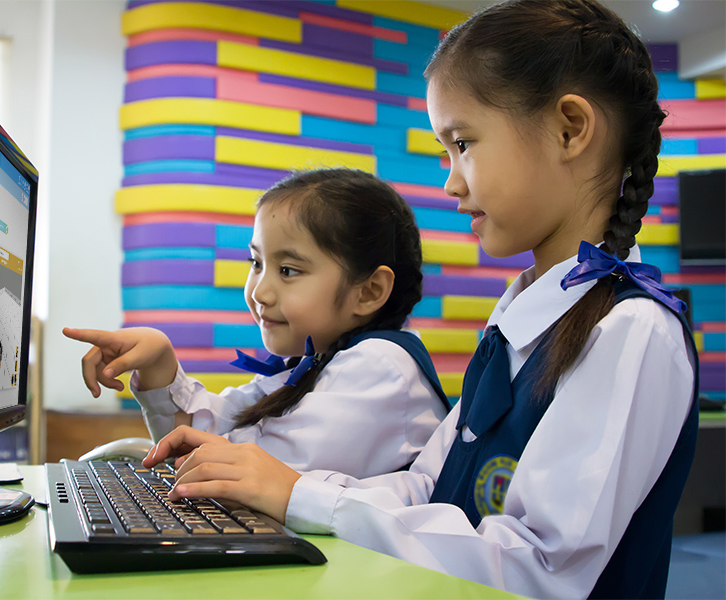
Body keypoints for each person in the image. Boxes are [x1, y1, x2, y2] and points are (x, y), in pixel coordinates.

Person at [141, 1, 700, 598]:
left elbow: (538, 569)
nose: (451, 181)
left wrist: (298, 494)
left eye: (463, 143)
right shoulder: (518, 319)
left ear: (569, 128)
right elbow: (426, 488)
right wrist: (282, 487)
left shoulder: (632, 331)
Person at [64, 168, 450, 479]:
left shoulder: (381, 370)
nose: (260, 291)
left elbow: (243, 470)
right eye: (256, 263)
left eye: (288, 270)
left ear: (368, 291)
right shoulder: (311, 366)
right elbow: (208, 434)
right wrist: (158, 362)